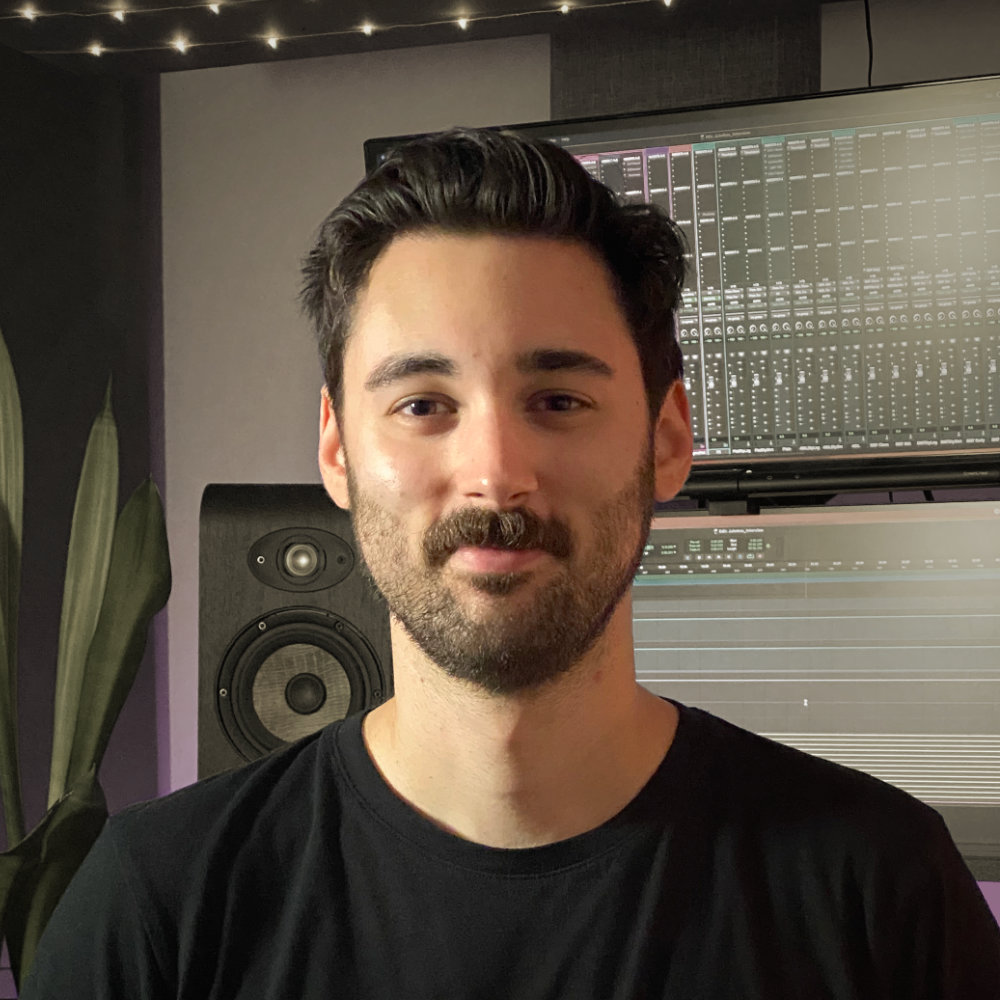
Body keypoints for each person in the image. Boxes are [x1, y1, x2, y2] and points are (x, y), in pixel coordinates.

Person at [22, 128, 1000, 999]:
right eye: (423, 404)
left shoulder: (881, 889)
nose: (493, 474)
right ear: (336, 449)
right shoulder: (155, 910)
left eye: (559, 399)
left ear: (665, 440)